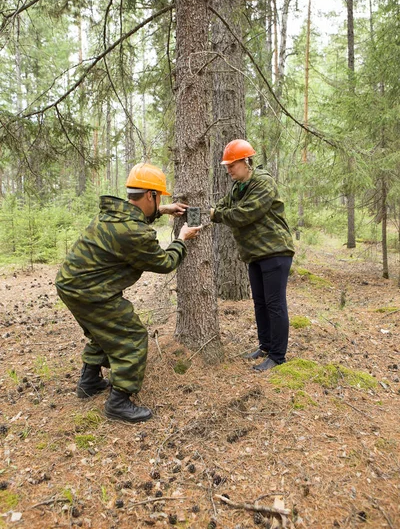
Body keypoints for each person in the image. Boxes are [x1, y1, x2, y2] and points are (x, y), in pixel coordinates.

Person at [55, 162, 201, 423]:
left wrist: (163, 209)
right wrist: (181, 239)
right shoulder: (134, 232)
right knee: (131, 336)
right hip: (91, 291)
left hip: (70, 285)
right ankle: (119, 402)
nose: (160, 202)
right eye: (159, 198)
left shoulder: (111, 215)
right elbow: (165, 263)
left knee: (103, 331)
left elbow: (133, 216)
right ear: (149, 196)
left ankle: (89, 382)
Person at [210, 139, 294, 372]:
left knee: (274, 304)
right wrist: (216, 212)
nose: (228, 170)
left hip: (275, 251)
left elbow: (245, 214)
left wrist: (217, 215)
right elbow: (222, 207)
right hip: (255, 254)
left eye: (232, 165)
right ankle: (265, 346)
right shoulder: (237, 187)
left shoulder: (263, 182)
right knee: (260, 303)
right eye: (226, 166)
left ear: (246, 162)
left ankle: (278, 356)